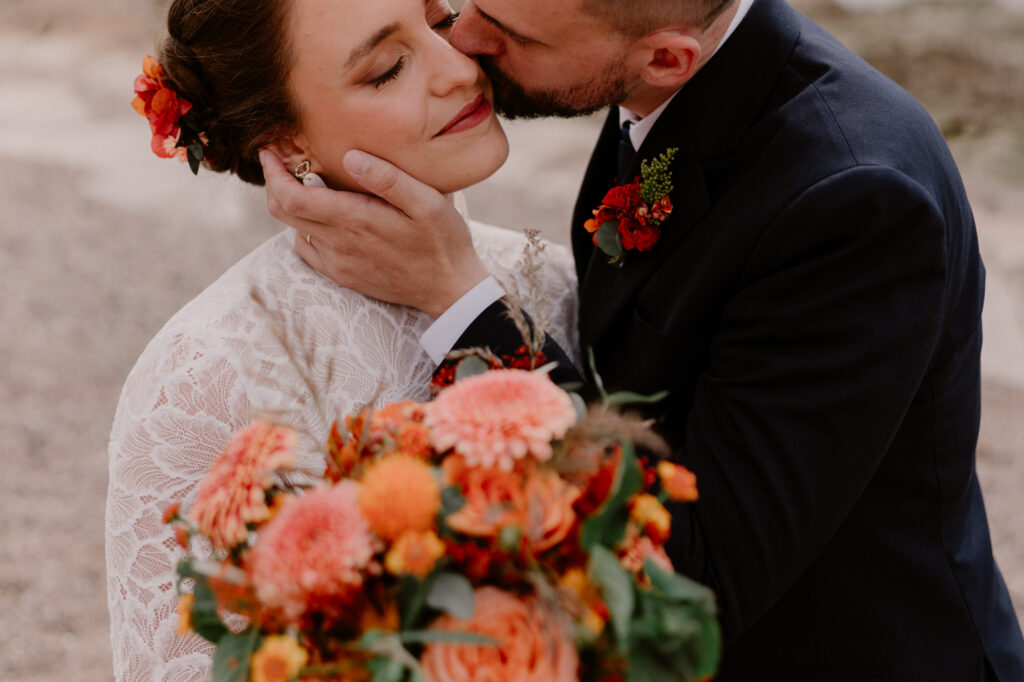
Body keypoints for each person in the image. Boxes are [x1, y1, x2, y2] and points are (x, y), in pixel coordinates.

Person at [260, 0, 1024, 678]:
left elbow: (694, 573)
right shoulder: (673, 77)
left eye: (509, 32)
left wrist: (457, 298)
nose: (463, 39)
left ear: (667, 58)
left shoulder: (854, 203)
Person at [104, 0, 580, 678]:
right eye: (388, 69)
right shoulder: (206, 375)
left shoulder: (554, 282)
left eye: (442, 20)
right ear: (287, 141)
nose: (458, 69)